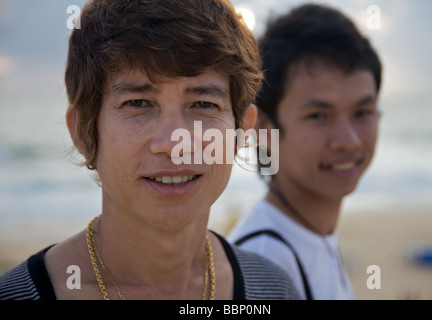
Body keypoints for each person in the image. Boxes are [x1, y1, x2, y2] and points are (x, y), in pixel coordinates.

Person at [0, 0, 301, 300]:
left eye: (203, 105)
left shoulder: (273, 290)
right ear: (83, 131)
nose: (174, 144)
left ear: (241, 131)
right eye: (138, 103)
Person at [228, 3, 382, 300]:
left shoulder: (313, 234)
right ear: (262, 128)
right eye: (318, 116)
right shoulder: (264, 261)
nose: (348, 141)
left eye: (363, 112)